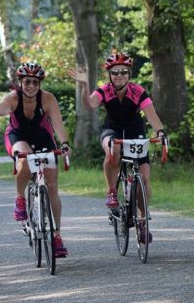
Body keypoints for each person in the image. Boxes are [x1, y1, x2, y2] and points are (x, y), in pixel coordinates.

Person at [0, 62, 70, 257]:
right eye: (27, 82)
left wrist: (64, 145)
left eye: (35, 83)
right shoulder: (13, 98)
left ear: (39, 84)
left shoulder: (47, 99)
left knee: (53, 187)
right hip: (17, 136)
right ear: (20, 82)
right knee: (26, 159)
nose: (31, 86)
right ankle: (20, 198)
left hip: (41, 135)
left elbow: (58, 125)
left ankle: (56, 236)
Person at [68, 52, 166, 243]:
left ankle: (143, 222)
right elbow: (88, 105)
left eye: (123, 72)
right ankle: (112, 191)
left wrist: (160, 133)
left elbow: (151, 116)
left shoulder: (138, 92)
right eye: (115, 72)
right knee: (113, 149)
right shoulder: (104, 91)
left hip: (134, 131)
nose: (119, 75)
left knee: (144, 181)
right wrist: (84, 84)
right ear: (110, 75)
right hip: (112, 130)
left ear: (129, 74)